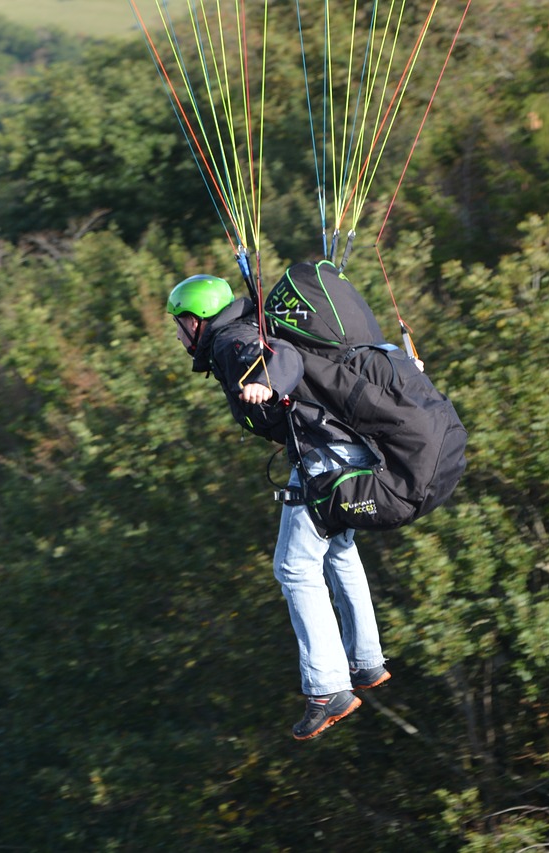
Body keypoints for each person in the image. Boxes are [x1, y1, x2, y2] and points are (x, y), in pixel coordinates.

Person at [167, 272, 391, 740]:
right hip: (344, 448)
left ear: (197, 320)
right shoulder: (249, 327)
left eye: (180, 322)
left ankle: (328, 688)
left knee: (293, 568)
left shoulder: (232, 341)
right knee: (338, 552)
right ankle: (367, 662)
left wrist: (265, 383)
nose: (178, 332)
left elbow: (281, 358)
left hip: (324, 458)